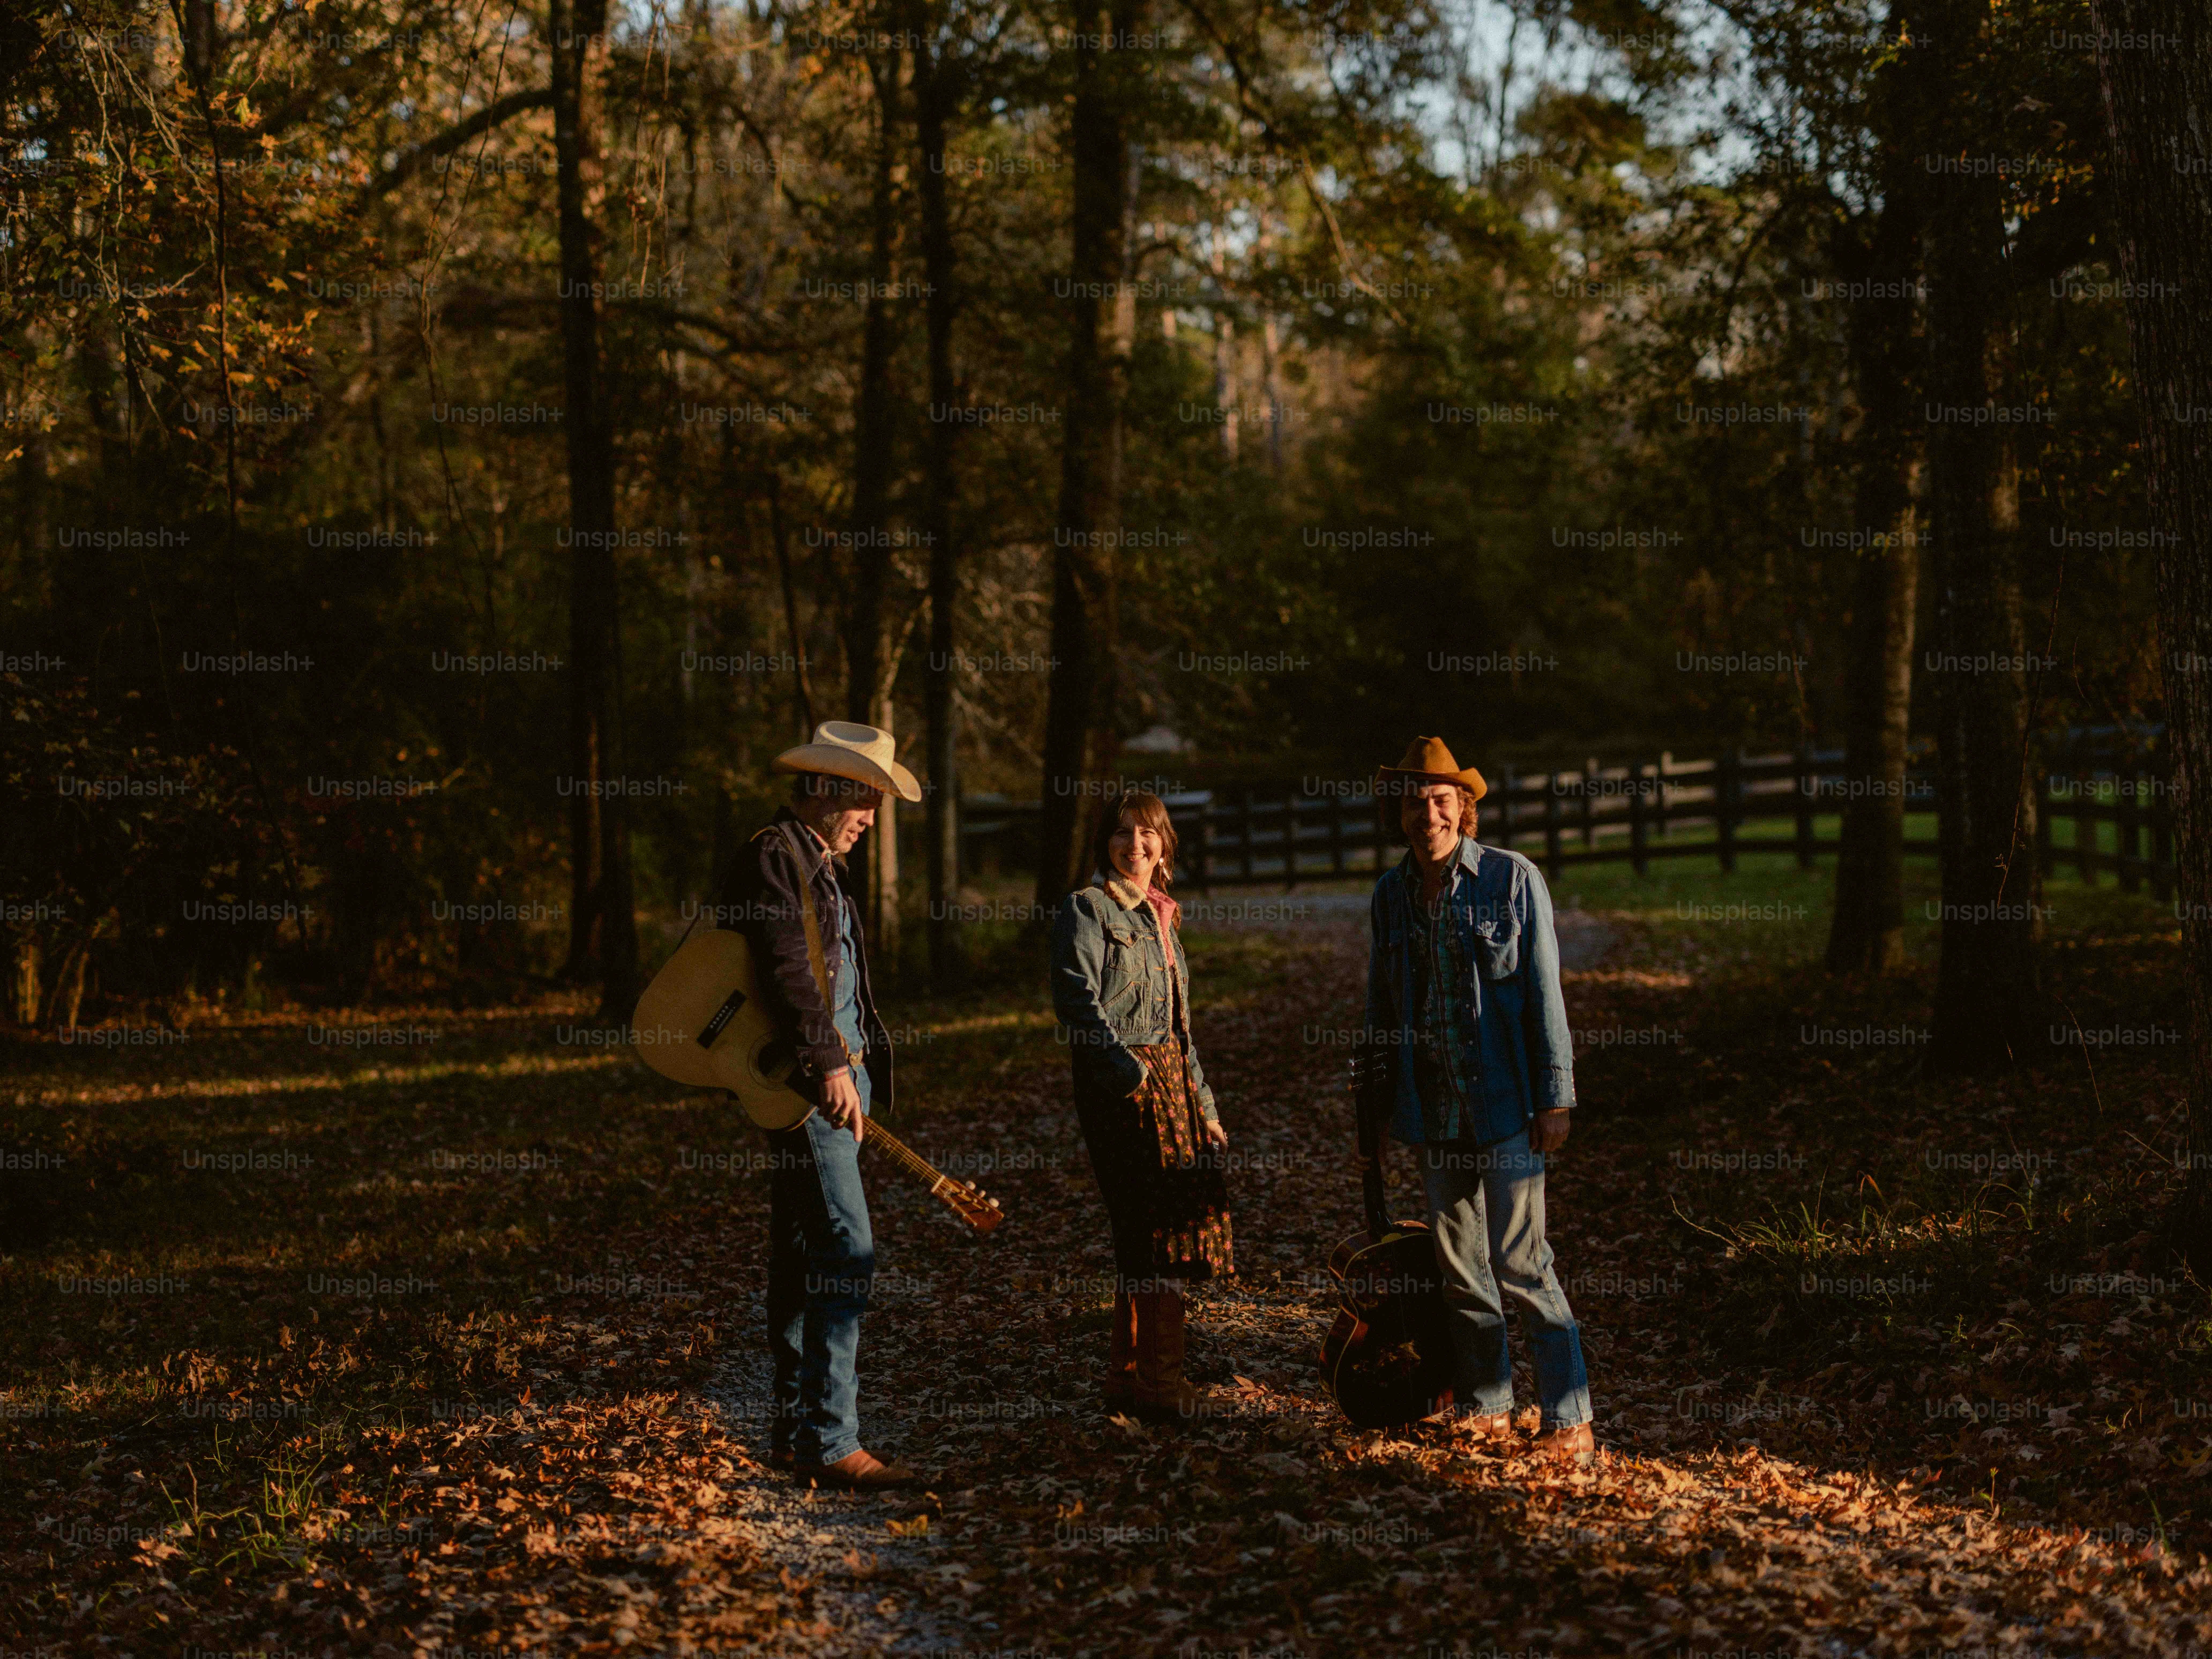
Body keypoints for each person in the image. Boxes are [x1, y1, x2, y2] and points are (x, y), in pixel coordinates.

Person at [1361, 736, 1596, 1464]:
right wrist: (1374, 1104)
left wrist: (1556, 1098)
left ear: (1463, 810)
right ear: (1401, 814)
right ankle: (1488, 1406)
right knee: (1460, 1268)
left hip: (1506, 1104)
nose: (1427, 813)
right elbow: (1381, 1004)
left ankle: (1570, 1421)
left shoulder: (1512, 881)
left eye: (1441, 801)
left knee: (1522, 1261)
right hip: (1436, 1112)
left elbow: (1542, 996)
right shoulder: (1391, 895)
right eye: (1414, 801)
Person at [720, 720, 922, 1489]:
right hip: (811, 1087)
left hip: (835, 1079)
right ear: (827, 791)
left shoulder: (820, 862)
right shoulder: (777, 855)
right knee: (846, 1250)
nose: (872, 815)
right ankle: (832, 1443)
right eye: (864, 799)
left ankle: (795, 1431)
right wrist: (827, 1061)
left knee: (805, 1252)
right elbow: (783, 969)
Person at [1050, 789, 1234, 1421]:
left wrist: (1204, 1105)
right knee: (1155, 1227)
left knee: (1150, 1230)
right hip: (1122, 1088)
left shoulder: (1163, 919)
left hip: (1175, 1084)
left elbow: (1183, 1028)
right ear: (1106, 844)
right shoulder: (1087, 909)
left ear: (1165, 845)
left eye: (1147, 833)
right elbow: (1078, 1003)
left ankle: (1129, 1377)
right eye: (1122, 834)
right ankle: (1162, 1384)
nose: (1136, 846)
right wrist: (1129, 1076)